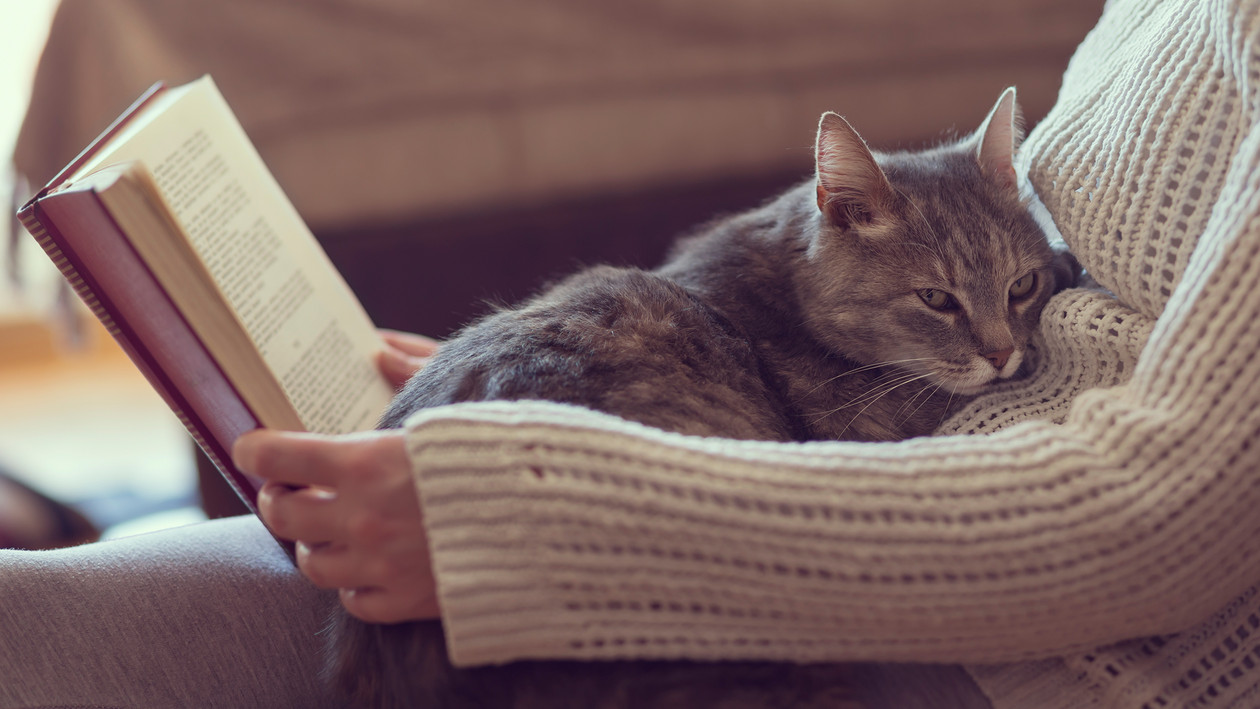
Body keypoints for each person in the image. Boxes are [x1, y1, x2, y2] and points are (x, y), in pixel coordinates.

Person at [4, 0, 1260, 707]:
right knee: (30, 617)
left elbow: (1165, 517)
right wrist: (558, 384)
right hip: (803, 511)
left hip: (1032, 639)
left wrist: (541, 504)